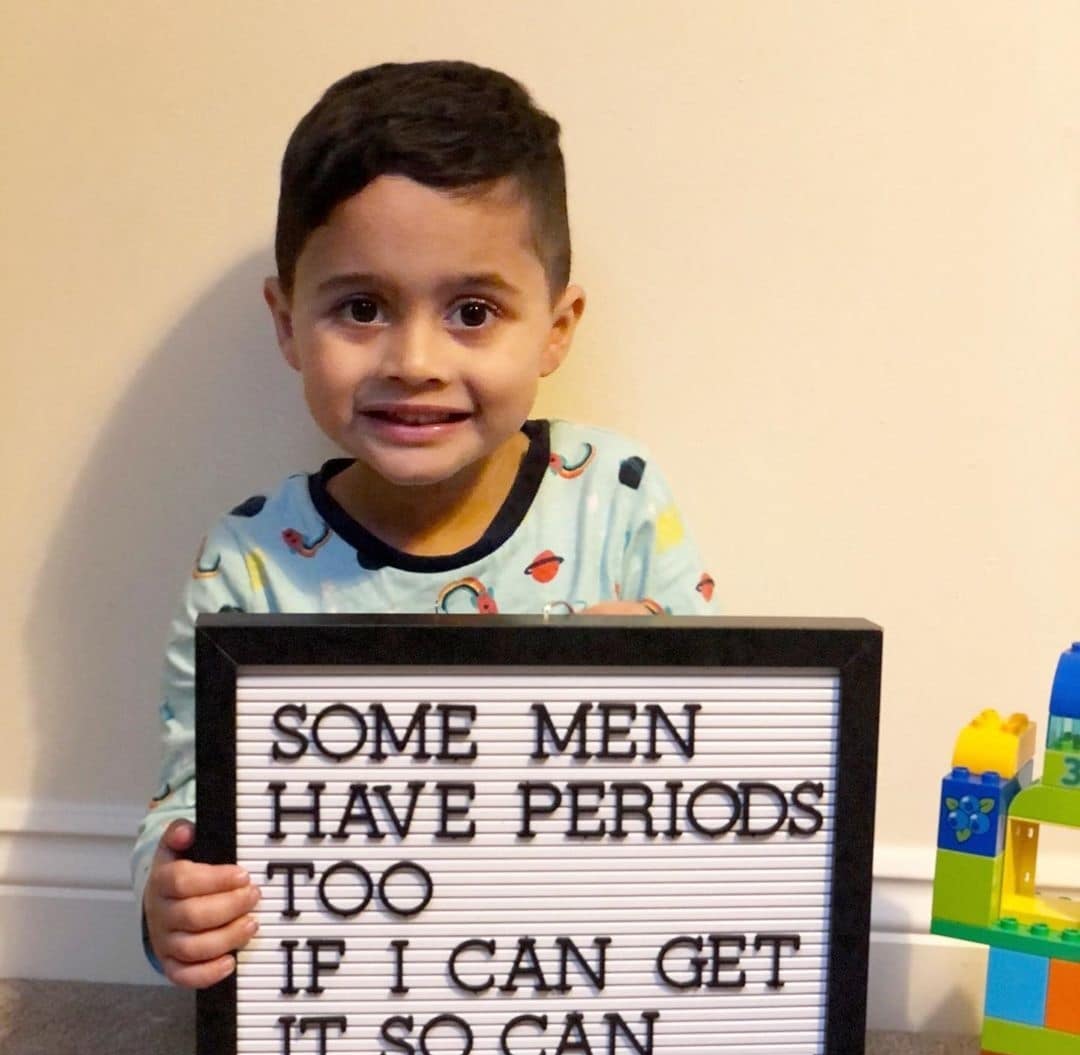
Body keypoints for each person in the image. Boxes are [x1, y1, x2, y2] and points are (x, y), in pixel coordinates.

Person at [134, 61, 718, 989]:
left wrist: (673, 697)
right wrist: (169, 895)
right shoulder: (248, 566)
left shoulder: (617, 499)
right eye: (361, 308)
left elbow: (722, 774)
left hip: (571, 977)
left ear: (556, 330)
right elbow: (192, 799)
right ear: (288, 324)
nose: (415, 361)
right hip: (361, 998)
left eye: (473, 312)